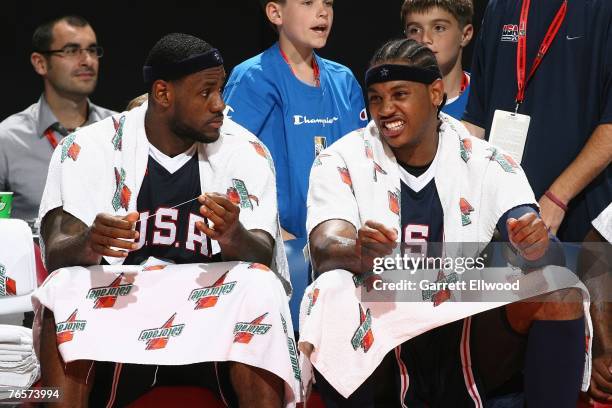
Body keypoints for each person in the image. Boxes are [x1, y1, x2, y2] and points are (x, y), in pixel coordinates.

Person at [298, 39, 589, 407]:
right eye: (375, 98)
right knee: (333, 287)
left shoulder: (486, 159)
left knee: (556, 283)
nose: (386, 110)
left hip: (465, 335)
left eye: (399, 94)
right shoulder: (340, 158)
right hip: (381, 345)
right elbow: (325, 246)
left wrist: (530, 238)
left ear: (435, 92)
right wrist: (356, 250)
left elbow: (524, 222)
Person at [35, 33, 299, 407]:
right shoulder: (86, 148)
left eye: (220, 89)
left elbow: (264, 254)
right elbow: (56, 254)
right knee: (63, 287)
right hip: (122, 310)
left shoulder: (245, 151)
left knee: (259, 285)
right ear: (163, 94)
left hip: (213, 317)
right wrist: (90, 242)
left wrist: (234, 234)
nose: (220, 104)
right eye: (206, 92)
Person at [462, 0, 612, 402]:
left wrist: (557, 198)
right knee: (502, 380)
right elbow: (478, 118)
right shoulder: (500, 7)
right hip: (502, 229)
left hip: (581, 224)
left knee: (571, 379)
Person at [223, 0, 368, 240]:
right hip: (275, 242)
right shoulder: (252, 78)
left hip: (341, 241)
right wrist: (272, 234)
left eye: (328, 4)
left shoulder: (345, 81)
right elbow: (226, 165)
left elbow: (363, 167)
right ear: (275, 13)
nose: (323, 12)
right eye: (308, 3)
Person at [0, 15, 115, 223]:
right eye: (71, 51)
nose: (87, 60)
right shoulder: (7, 140)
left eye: (92, 50)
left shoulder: (118, 130)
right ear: (40, 63)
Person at [401, 0, 474, 120]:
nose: (424, 39)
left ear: (465, 35)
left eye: (438, 28)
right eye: (415, 30)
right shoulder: (394, 101)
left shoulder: (485, 98)